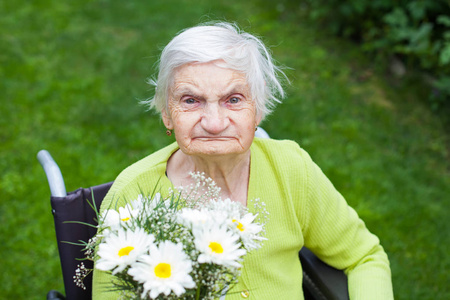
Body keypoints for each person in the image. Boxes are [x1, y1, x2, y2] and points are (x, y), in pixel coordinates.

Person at [92, 22, 394, 299]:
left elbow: (364, 256)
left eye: (233, 99)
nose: (213, 122)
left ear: (258, 110)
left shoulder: (291, 168)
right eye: (191, 100)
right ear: (167, 114)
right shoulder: (132, 196)